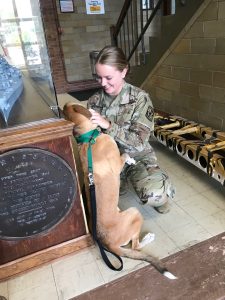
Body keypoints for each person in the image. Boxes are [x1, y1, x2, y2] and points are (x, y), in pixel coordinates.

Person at [87, 45, 175, 213]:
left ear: (124, 72)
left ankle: (161, 187)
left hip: (137, 157)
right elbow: (93, 140)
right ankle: (121, 181)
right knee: (92, 197)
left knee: (153, 195)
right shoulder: (94, 101)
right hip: (109, 159)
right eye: (98, 77)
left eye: (108, 77)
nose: (103, 83)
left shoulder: (140, 99)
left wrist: (108, 125)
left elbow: (139, 144)